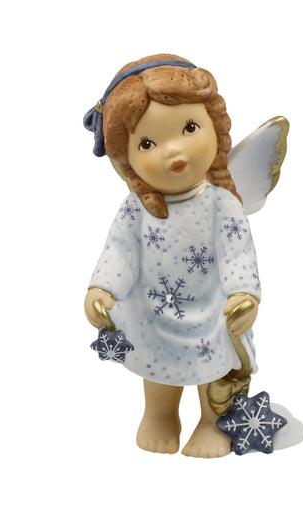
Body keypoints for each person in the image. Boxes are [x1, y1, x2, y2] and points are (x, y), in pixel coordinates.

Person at [84, 54, 260, 458]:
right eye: (148, 143)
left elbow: (238, 252)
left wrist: (244, 295)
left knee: (213, 366)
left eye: (189, 128)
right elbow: (120, 250)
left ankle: (212, 421)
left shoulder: (221, 204)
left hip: (211, 308)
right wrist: (103, 289)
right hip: (155, 311)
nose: (175, 151)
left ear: (214, 125)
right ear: (127, 160)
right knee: (157, 363)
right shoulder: (136, 210)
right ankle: (161, 414)